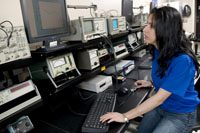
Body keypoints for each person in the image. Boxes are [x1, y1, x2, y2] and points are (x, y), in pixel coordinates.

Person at [100, 6, 200, 133]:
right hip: (162, 106)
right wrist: (152, 83)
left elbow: (159, 98)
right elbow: (166, 76)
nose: (144, 29)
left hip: (180, 114)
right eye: (146, 24)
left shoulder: (182, 60)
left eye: (151, 26)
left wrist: (125, 116)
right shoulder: (159, 49)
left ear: (166, 30)